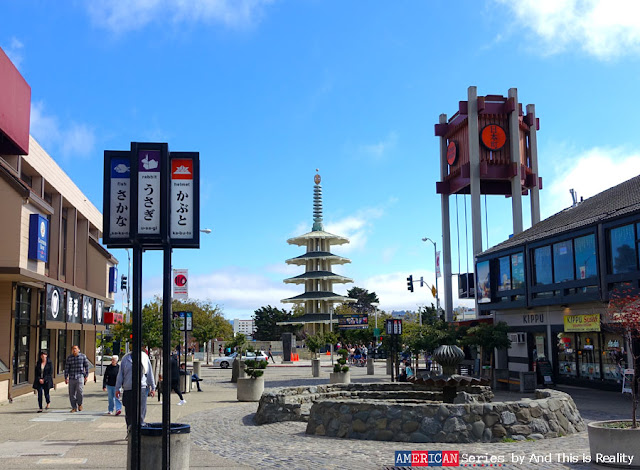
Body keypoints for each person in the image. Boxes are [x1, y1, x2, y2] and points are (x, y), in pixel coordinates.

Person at [115, 347, 156, 435]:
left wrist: (153, 387)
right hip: (128, 388)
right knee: (129, 412)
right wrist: (117, 388)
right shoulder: (126, 358)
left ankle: (140, 431)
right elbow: (120, 374)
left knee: (141, 411)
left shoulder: (144, 357)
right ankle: (130, 432)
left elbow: (149, 373)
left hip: (141, 388)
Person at [64, 345, 89, 412]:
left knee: (80, 391)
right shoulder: (69, 358)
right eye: (73, 349)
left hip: (80, 376)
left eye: (75, 349)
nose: (74, 350)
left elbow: (86, 366)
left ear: (78, 349)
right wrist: (66, 377)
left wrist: (86, 375)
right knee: (71, 393)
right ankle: (74, 407)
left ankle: (80, 404)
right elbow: (66, 368)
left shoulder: (83, 357)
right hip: (72, 377)